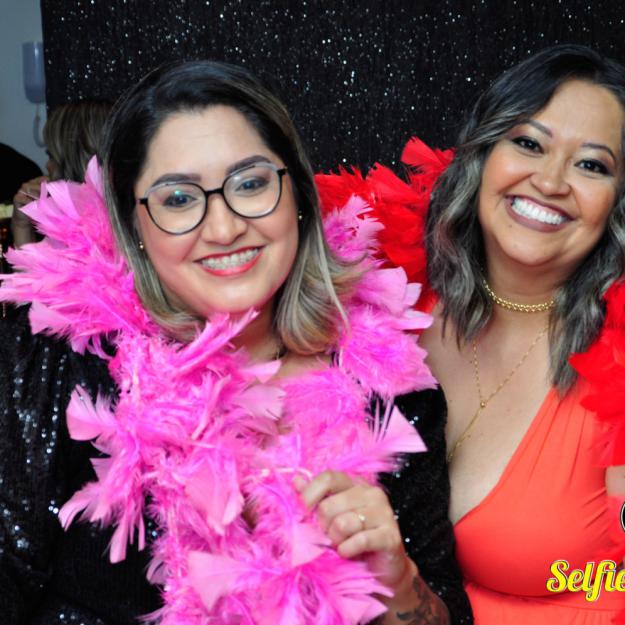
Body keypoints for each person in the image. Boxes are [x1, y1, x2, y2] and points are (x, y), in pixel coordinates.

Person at [0, 60, 472, 624]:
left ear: (297, 195)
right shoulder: (62, 363)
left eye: (250, 184)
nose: (223, 229)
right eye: (178, 199)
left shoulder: (394, 393)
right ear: (135, 227)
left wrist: (395, 579)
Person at [318, 44, 625, 624]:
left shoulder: (618, 367)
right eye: (528, 143)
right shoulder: (384, 299)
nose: (550, 181)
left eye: (591, 165)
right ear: (483, 154)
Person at [11, 100, 111, 247]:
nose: (48, 165)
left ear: (77, 161)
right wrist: (22, 226)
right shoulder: (68, 226)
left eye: (51, 156)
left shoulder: (123, 228)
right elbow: (38, 263)